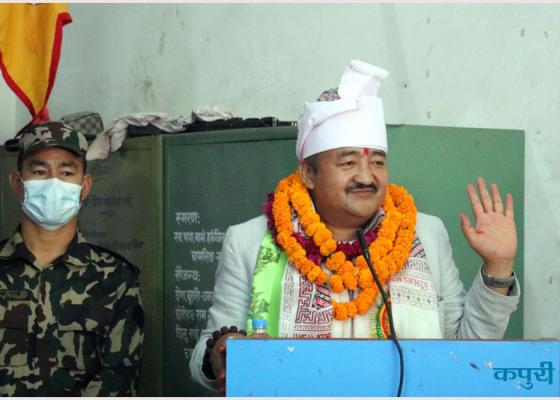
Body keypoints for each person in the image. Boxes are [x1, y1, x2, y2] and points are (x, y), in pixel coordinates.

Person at [189, 60, 520, 393]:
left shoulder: (425, 235)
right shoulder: (248, 241)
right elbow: (206, 355)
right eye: (348, 163)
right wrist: (222, 350)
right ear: (308, 174)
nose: (366, 176)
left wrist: (498, 266)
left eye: (377, 162)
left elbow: (464, 353)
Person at [0, 121, 144, 395]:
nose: (53, 182)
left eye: (67, 172)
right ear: (17, 183)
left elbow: (119, 377)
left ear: (85, 186)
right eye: (40, 171)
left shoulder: (115, 278)